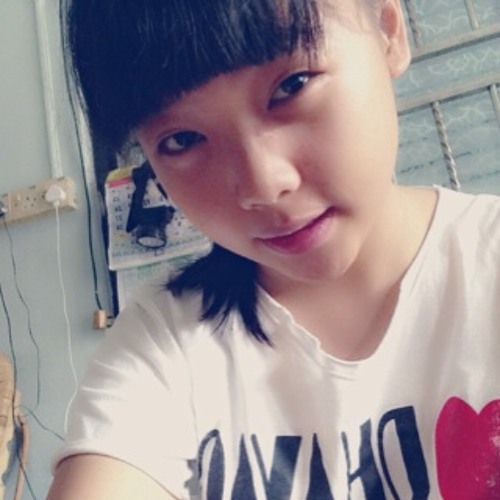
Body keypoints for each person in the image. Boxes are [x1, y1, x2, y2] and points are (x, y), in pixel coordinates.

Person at [48, 0, 500, 498]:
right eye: (182, 139)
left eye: (292, 86)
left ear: (389, 30)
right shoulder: (166, 338)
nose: (262, 184)